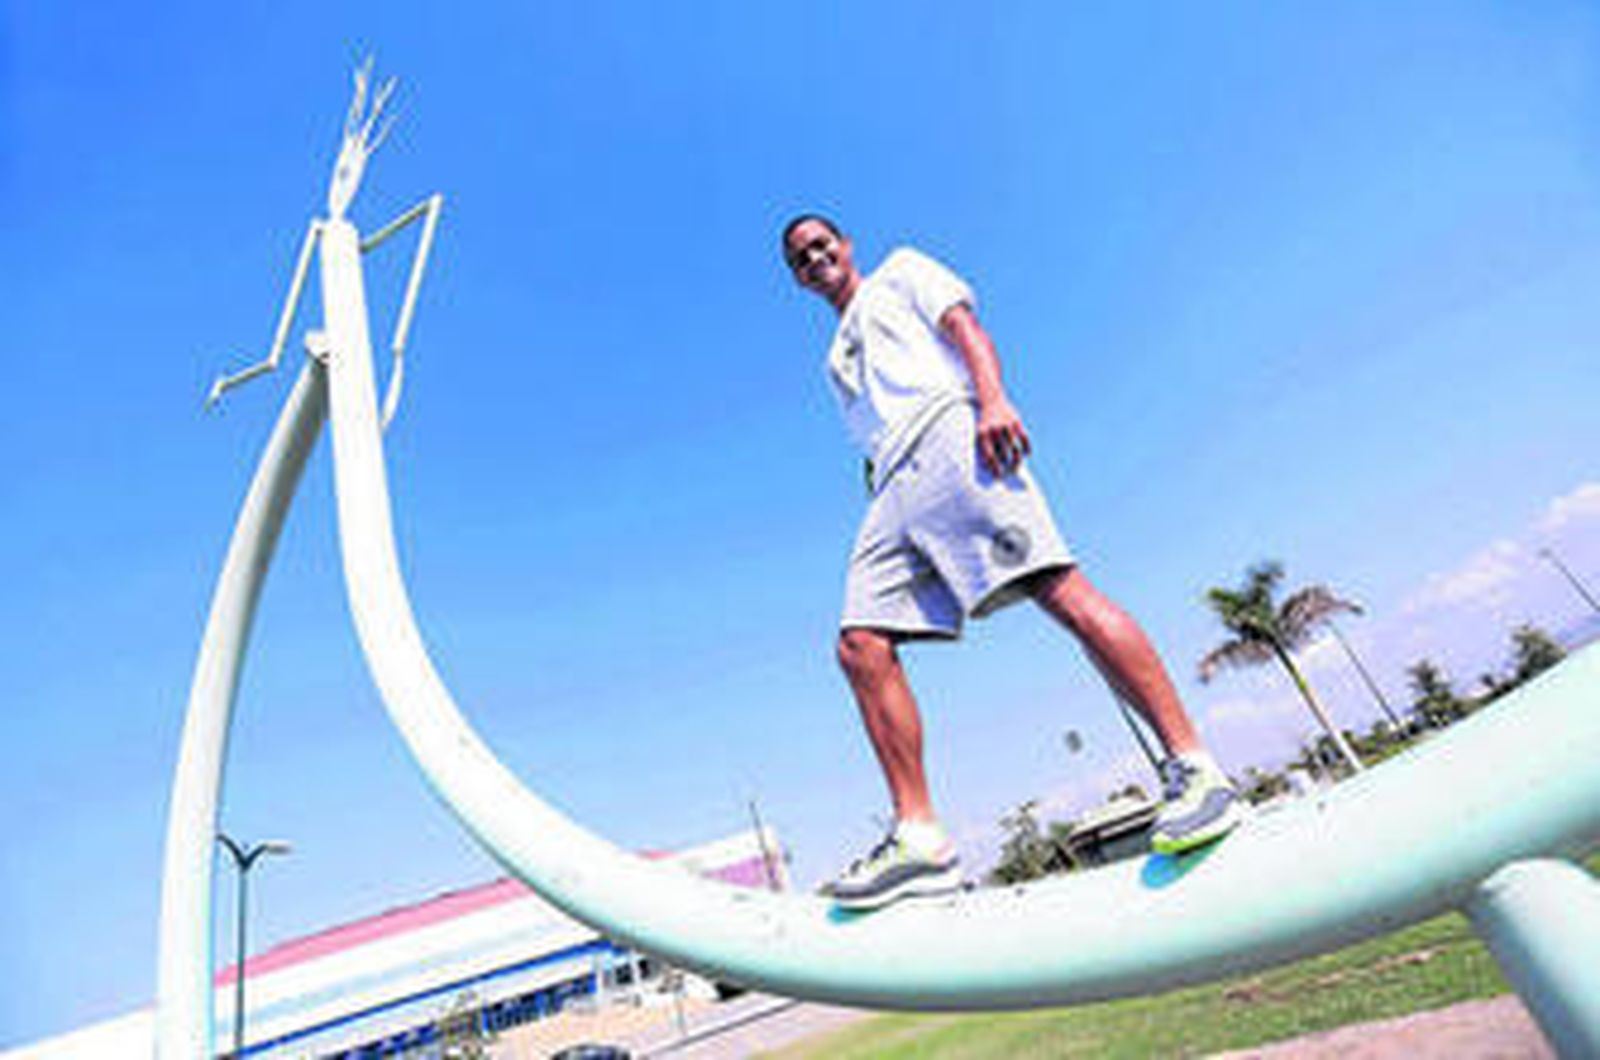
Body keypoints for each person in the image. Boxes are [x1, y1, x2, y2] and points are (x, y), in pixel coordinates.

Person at [781, 214, 1245, 910]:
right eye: (801, 257)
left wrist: (992, 399)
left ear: (846, 247)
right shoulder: (832, 354)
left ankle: (1197, 770)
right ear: (797, 278)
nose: (816, 257)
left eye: (823, 244)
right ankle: (920, 842)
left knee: (1059, 590)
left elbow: (966, 329)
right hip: (891, 484)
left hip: (951, 437)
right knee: (860, 646)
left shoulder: (902, 269)